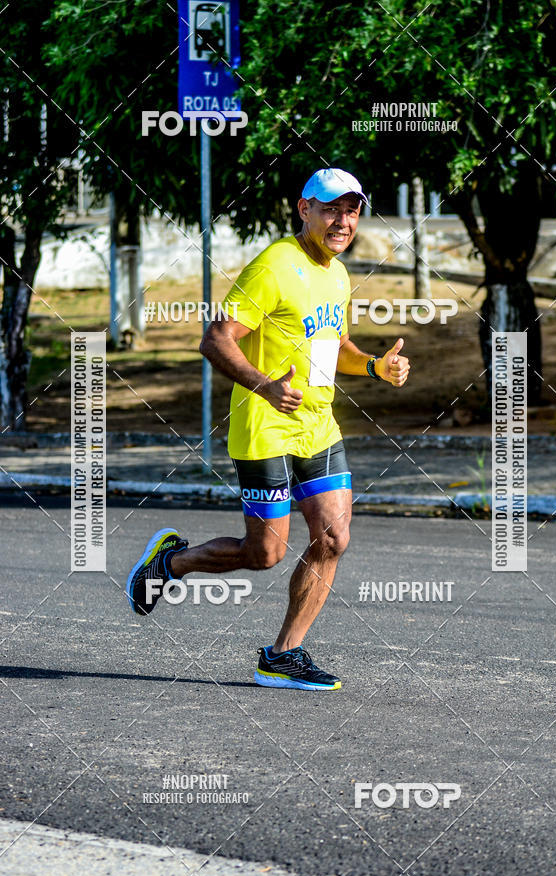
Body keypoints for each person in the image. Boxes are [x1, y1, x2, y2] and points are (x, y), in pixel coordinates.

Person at [126, 168, 410, 691]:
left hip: (318, 427)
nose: (342, 221)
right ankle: (172, 561)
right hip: (266, 428)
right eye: (331, 209)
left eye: (351, 210)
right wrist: (264, 386)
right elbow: (215, 339)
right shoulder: (275, 265)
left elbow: (334, 347)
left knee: (333, 537)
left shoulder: (338, 273)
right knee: (265, 554)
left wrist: (373, 366)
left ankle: (283, 655)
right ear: (304, 209)